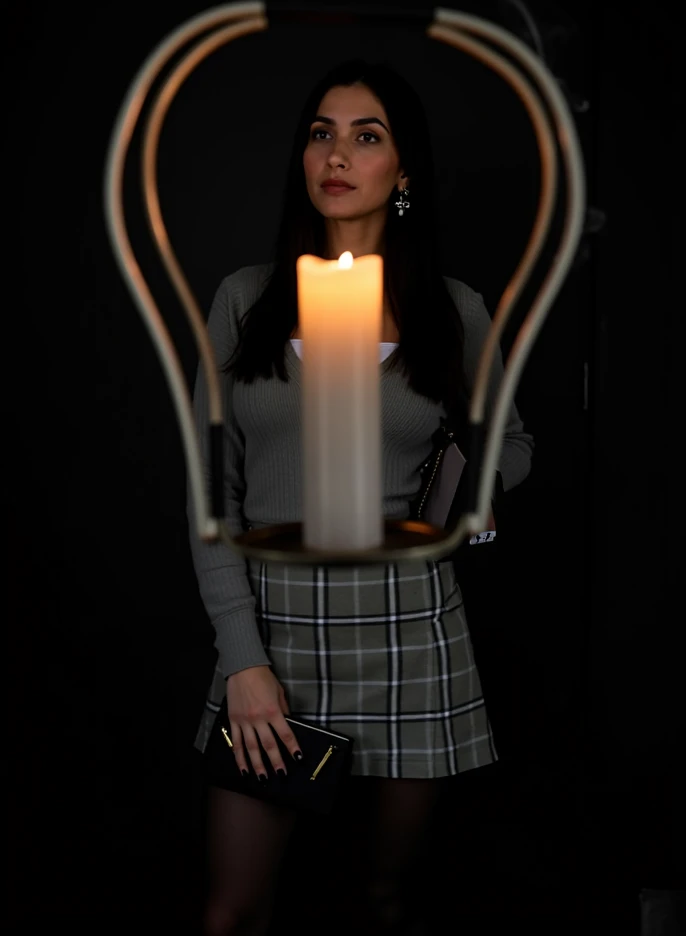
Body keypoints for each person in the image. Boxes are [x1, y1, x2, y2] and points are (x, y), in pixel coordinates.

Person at [188, 59, 534, 936]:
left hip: (408, 628)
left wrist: (480, 489)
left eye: (366, 136)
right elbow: (209, 496)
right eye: (321, 133)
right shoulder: (242, 300)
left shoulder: (454, 311)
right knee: (234, 911)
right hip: (275, 631)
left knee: (382, 903)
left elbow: (516, 442)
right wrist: (243, 659)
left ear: (403, 171)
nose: (336, 154)